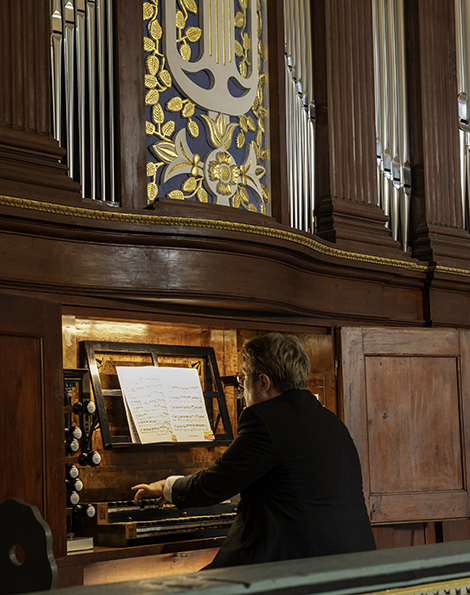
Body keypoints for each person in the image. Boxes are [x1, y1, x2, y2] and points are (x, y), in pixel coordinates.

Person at [132, 332, 376, 568]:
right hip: (352, 560)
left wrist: (167, 486)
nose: (241, 385)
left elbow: (212, 486)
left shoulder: (266, 419)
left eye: (243, 377)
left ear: (263, 382)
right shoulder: (331, 421)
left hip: (299, 565)